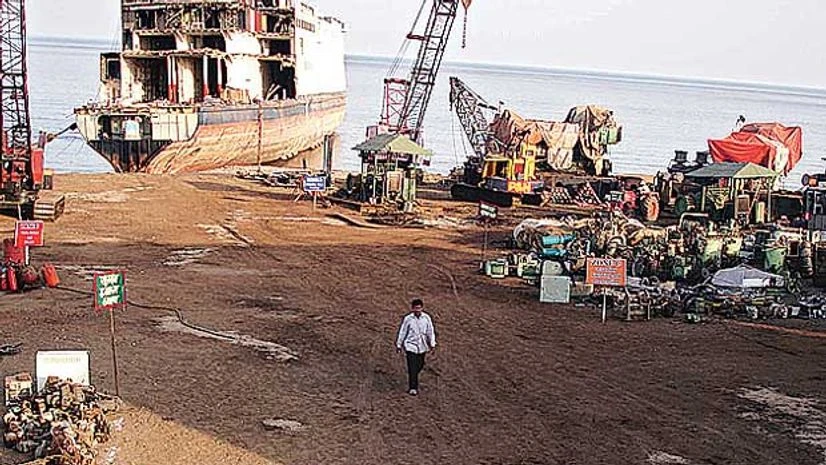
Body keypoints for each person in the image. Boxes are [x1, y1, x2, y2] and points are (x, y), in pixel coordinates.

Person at [396, 299, 436, 396]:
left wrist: (432, 343)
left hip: (422, 346)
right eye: (416, 308)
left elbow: (430, 331)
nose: (418, 310)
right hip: (410, 345)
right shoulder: (408, 319)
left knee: (420, 364)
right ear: (412, 308)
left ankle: (413, 375)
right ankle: (413, 387)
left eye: (419, 308)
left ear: (422, 308)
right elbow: (403, 331)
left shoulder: (426, 318)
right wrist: (399, 344)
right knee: (412, 366)